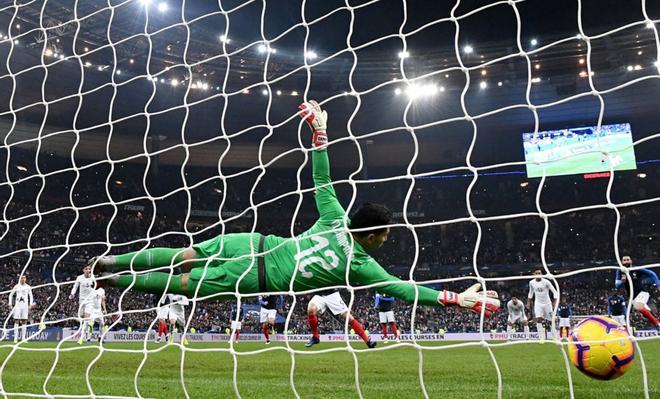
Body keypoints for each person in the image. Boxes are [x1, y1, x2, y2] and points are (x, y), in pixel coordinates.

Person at [89, 101, 500, 320]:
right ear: (373, 235)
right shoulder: (360, 266)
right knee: (183, 284)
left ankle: (113, 260)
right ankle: (115, 280)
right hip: (256, 275)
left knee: (185, 255)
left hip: (254, 241)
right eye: (387, 233)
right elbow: (403, 289)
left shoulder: (335, 214)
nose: (388, 238)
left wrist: (320, 133)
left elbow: (321, 178)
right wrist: (454, 299)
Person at [305, 290, 376, 348]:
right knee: (311, 310)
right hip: (318, 296)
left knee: (349, 318)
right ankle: (315, 337)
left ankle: (368, 341)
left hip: (332, 295)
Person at [615, 256, 659, 331]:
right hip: (632, 297)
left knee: (638, 307)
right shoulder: (620, 271)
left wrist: (658, 284)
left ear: (631, 261)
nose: (626, 261)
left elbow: (652, 273)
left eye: (627, 260)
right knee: (645, 313)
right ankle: (657, 322)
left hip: (642, 293)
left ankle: (657, 324)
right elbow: (617, 285)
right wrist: (622, 281)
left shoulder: (636, 269)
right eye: (624, 260)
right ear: (622, 262)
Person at [527, 270, 558, 342]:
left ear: (542, 274)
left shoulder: (546, 282)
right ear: (534, 274)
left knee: (551, 320)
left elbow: (554, 292)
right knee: (538, 319)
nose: (538, 274)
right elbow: (530, 293)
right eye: (536, 273)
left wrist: (555, 302)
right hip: (538, 303)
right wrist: (528, 302)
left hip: (547, 303)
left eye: (539, 273)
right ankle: (541, 338)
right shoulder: (531, 282)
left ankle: (554, 337)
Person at [69, 265, 95, 343]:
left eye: (89, 269)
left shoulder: (93, 278)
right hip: (82, 300)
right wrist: (72, 294)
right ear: (83, 270)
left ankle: (85, 337)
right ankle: (89, 323)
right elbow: (75, 287)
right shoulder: (79, 278)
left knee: (87, 318)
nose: (88, 270)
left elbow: (97, 286)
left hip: (90, 300)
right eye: (86, 269)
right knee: (81, 317)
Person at [8, 275, 34, 343]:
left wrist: (30, 304)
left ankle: (23, 338)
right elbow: (10, 295)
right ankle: (15, 338)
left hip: (25, 305)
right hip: (17, 305)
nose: (23, 279)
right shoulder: (16, 286)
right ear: (20, 279)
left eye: (24, 278)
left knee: (24, 320)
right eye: (22, 278)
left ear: (26, 279)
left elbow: (31, 296)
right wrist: (10, 304)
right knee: (16, 320)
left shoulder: (28, 287)